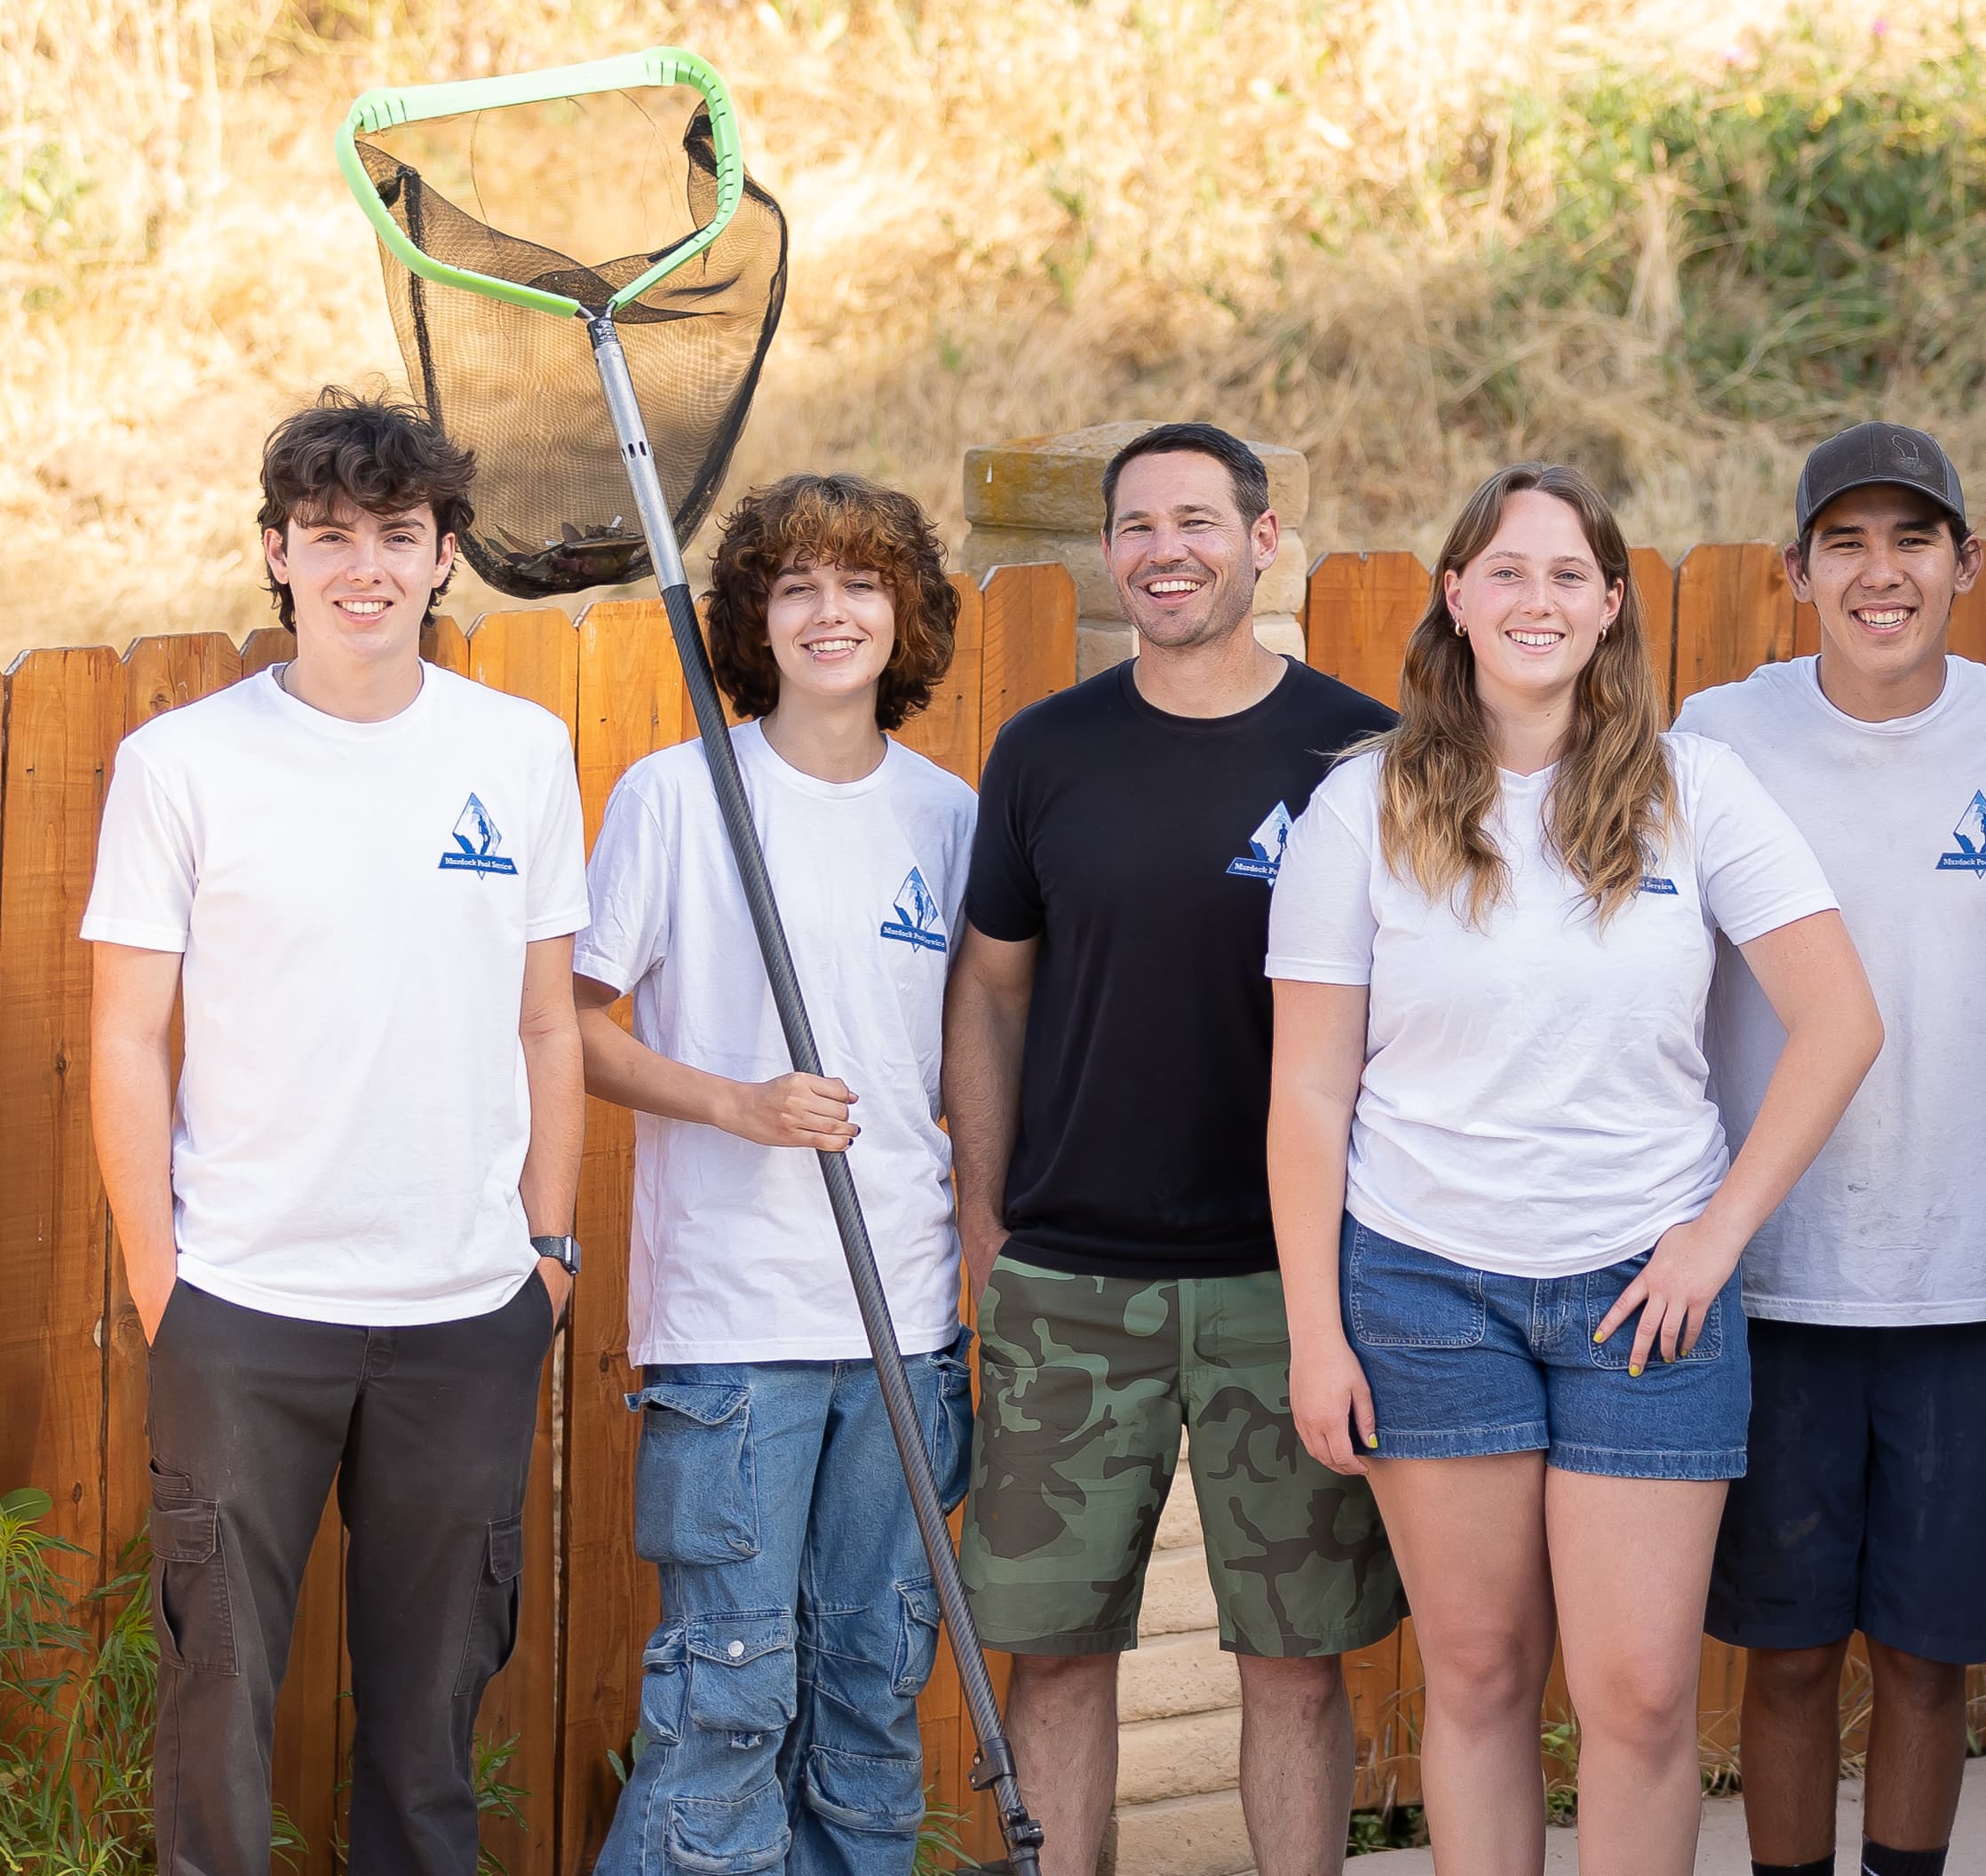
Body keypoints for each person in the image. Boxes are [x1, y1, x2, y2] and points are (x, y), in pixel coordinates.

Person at [1267, 462, 1887, 1876]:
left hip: (1645, 1296)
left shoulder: (1698, 792)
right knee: (1480, 1681)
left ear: (1612, 604)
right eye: (1506, 570)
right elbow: (1307, 1090)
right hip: (1425, 1290)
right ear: (1456, 598)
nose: (1535, 599)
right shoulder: (1361, 809)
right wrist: (1318, 1333)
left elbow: (1842, 1021)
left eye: (1567, 575)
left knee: (1642, 1697)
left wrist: (1716, 1238)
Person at [85, 389, 585, 1876]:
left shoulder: (523, 750)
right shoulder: (183, 765)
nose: (364, 566)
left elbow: (550, 1023)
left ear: (445, 558)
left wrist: (546, 1258)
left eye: (398, 535)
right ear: (276, 553)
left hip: (463, 1311)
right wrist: (160, 1282)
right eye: (330, 536)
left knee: (431, 1727)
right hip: (244, 1310)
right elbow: (122, 1032)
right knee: (218, 1701)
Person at [944, 423, 1407, 1876]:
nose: (1163, 549)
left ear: (1263, 542)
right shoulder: (1045, 752)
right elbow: (989, 989)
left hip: (1292, 1287)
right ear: (1108, 551)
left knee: (1292, 1658)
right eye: (1135, 525)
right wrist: (983, 1229)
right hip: (1071, 1286)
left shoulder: (1357, 754)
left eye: (1197, 520)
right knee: (1057, 1653)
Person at [1677, 424, 1986, 1876]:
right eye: (1843, 542)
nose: (1879, 571)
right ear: (1792, 573)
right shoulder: (1715, 739)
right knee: (1781, 1660)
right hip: (1770, 1287)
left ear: (1964, 564)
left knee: (1923, 1658)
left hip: (1967, 1289)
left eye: (1912, 539)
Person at [576, 475, 978, 1875]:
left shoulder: (949, 816)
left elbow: (972, 1071)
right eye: (797, 585)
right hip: (737, 1326)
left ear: (904, 613)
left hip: (907, 1325)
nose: (830, 611)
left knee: (873, 1695)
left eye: (861, 584)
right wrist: (736, 1103)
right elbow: (565, 1027)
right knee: (729, 1700)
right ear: (754, 617)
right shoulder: (681, 795)